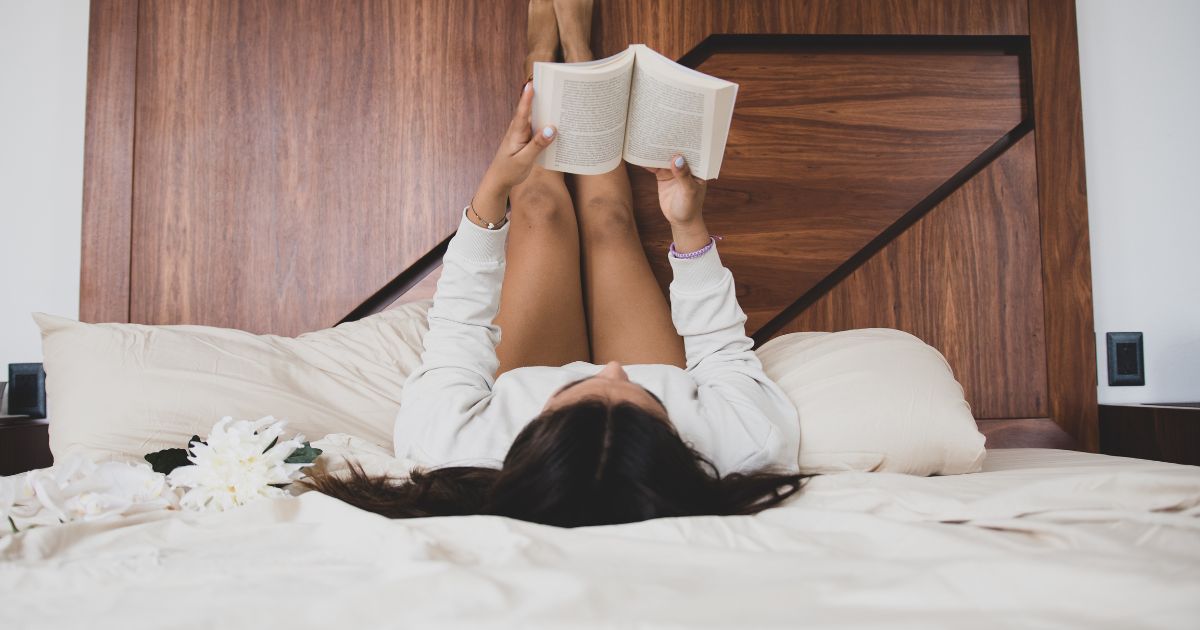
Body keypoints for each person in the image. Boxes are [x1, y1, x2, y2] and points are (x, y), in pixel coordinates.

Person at [306, 0, 810, 527]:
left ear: (530, 438)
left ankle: (541, 63)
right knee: (610, 223)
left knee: (539, 209)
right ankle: (584, 57)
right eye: (643, 397)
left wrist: (494, 188)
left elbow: (459, 326)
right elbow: (722, 353)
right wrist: (687, 225)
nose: (612, 367)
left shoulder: (455, 449)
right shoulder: (746, 448)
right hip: (643, 414)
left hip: (527, 373)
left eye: (577, 388)